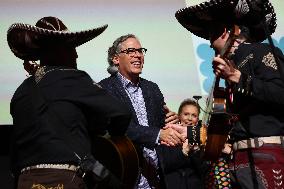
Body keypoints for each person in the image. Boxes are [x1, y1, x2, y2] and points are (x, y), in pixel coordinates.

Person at [8, 16, 132, 189]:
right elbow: (121, 113)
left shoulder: (20, 92)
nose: (76, 54)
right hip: (65, 181)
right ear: (59, 51)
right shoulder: (73, 78)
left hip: (26, 182)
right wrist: (103, 139)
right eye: (71, 48)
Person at [175, 0, 284, 188]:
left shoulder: (260, 52)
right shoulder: (228, 74)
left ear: (224, 32)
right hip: (239, 162)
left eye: (211, 35)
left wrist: (236, 76)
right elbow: (219, 132)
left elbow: (281, 93)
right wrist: (190, 132)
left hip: (266, 158)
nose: (210, 44)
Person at [99, 34, 184, 189]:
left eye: (140, 51)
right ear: (116, 59)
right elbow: (118, 128)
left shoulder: (152, 88)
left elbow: (162, 126)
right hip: (126, 174)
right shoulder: (104, 89)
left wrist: (171, 122)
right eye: (131, 51)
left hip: (157, 178)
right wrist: (158, 134)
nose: (138, 55)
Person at [159, 98, 207, 189]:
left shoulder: (200, 139)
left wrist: (195, 148)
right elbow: (164, 165)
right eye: (186, 114)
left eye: (194, 115)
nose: (189, 118)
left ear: (197, 119)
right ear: (179, 116)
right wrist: (184, 152)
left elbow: (203, 170)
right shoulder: (168, 134)